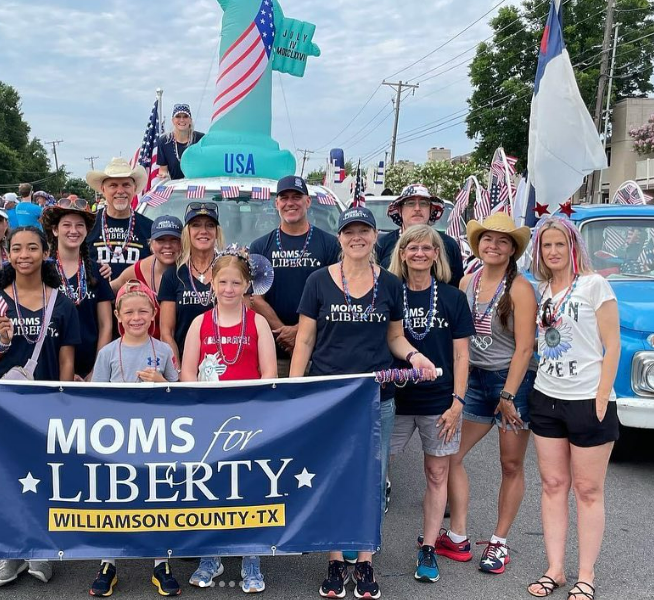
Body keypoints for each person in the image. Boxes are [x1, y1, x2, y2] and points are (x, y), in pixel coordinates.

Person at [290, 207, 436, 600]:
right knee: (333, 476)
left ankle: (367, 561)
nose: (357, 238)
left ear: (374, 237)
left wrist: (414, 357)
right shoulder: (318, 281)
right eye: (350, 231)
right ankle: (337, 560)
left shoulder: (388, 284)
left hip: (376, 397)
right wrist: (292, 390)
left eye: (364, 231)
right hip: (329, 398)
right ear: (340, 238)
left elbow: (395, 339)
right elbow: (304, 340)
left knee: (372, 479)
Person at [0, 225, 80, 588]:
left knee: (47, 475)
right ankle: (10, 550)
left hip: (49, 403)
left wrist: (64, 398)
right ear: (8, 253)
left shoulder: (61, 302)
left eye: (32, 248)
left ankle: (41, 547)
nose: (24, 255)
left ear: (45, 251)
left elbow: (67, 359)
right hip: (7, 405)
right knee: (9, 475)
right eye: (16, 248)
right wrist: (3, 339)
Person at [526, 216, 620, 600]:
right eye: (546, 246)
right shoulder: (543, 290)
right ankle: (555, 569)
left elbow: (612, 344)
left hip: (587, 401)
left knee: (587, 490)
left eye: (559, 245)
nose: (553, 252)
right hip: (547, 397)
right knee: (552, 485)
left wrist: (601, 396)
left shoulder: (595, 286)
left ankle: (585, 575)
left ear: (573, 247)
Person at [443, 213, 537, 575]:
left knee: (510, 464)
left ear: (512, 249)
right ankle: (459, 534)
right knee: (450, 453)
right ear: (477, 244)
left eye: (502, 241)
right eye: (487, 240)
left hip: (510, 383)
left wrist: (509, 395)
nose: (493, 246)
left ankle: (499, 542)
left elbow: (526, 348)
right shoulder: (468, 280)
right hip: (474, 380)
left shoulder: (520, 288)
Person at [180, 248, 276, 593]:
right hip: (209, 420)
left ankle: (251, 556)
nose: (229, 288)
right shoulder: (200, 322)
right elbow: (188, 373)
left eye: (237, 282)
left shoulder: (258, 322)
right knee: (211, 488)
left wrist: (255, 410)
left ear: (248, 284)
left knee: (250, 490)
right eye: (223, 281)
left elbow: (269, 373)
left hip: (248, 421)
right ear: (212, 282)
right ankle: (212, 554)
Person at [387, 225, 474, 584]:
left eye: (427, 247)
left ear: (437, 254)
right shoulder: (391, 293)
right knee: (376, 468)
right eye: (412, 248)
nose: (419, 253)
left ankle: (428, 546)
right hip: (396, 398)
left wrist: (458, 402)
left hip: (439, 402)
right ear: (402, 254)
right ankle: (363, 539)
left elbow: (462, 355)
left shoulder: (453, 298)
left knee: (437, 474)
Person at [89, 281, 180, 597]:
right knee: (114, 498)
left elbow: (179, 393)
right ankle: (107, 562)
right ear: (118, 315)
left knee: (157, 496)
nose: (136, 317)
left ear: (155, 313)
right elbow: (94, 398)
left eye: (143, 310)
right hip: (119, 438)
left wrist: (162, 381)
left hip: (157, 436)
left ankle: (161, 562)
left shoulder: (164, 351)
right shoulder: (108, 353)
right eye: (129, 311)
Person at [250, 175, 339, 375]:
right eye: (284, 198)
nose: (290, 203)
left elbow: (335, 296)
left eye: (296, 197)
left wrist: (300, 330)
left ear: (308, 201)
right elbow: (255, 298)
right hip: (272, 354)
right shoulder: (260, 246)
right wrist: (285, 333)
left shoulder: (330, 245)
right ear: (277, 203)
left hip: (319, 353)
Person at [42, 200, 115, 379]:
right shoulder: (42, 271)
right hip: (49, 365)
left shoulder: (97, 271)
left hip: (90, 366)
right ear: (55, 230)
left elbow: (106, 325)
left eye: (79, 226)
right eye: (66, 225)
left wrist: (97, 370)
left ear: (86, 231)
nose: (73, 231)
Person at [159, 202, 224, 369]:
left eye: (210, 225)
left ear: (217, 232)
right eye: (196, 225)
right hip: (185, 367)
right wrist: (179, 370)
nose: (203, 231)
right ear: (187, 232)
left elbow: (244, 323)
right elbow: (167, 332)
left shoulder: (230, 270)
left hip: (224, 366)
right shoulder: (173, 275)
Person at [109, 215, 184, 339]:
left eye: (174, 240)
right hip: (146, 352)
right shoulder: (137, 271)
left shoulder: (191, 272)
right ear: (151, 244)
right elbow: (108, 292)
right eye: (161, 240)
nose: (167, 245)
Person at [376, 184, 464, 286]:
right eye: (410, 203)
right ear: (399, 210)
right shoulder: (382, 244)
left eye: (423, 203)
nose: (417, 208)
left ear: (431, 210)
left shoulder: (449, 245)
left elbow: (457, 288)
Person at [86, 157, 153, 282]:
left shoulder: (150, 228)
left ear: (134, 188)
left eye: (126, 185)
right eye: (113, 185)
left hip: (137, 298)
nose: (120, 191)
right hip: (98, 299)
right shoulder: (87, 225)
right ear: (103, 189)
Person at [155, 104, 205, 181]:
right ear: (173, 120)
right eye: (178, 116)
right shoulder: (164, 141)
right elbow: (163, 170)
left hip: (198, 186)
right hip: (176, 188)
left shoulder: (201, 139)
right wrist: (164, 176)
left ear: (190, 120)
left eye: (185, 116)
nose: (182, 120)